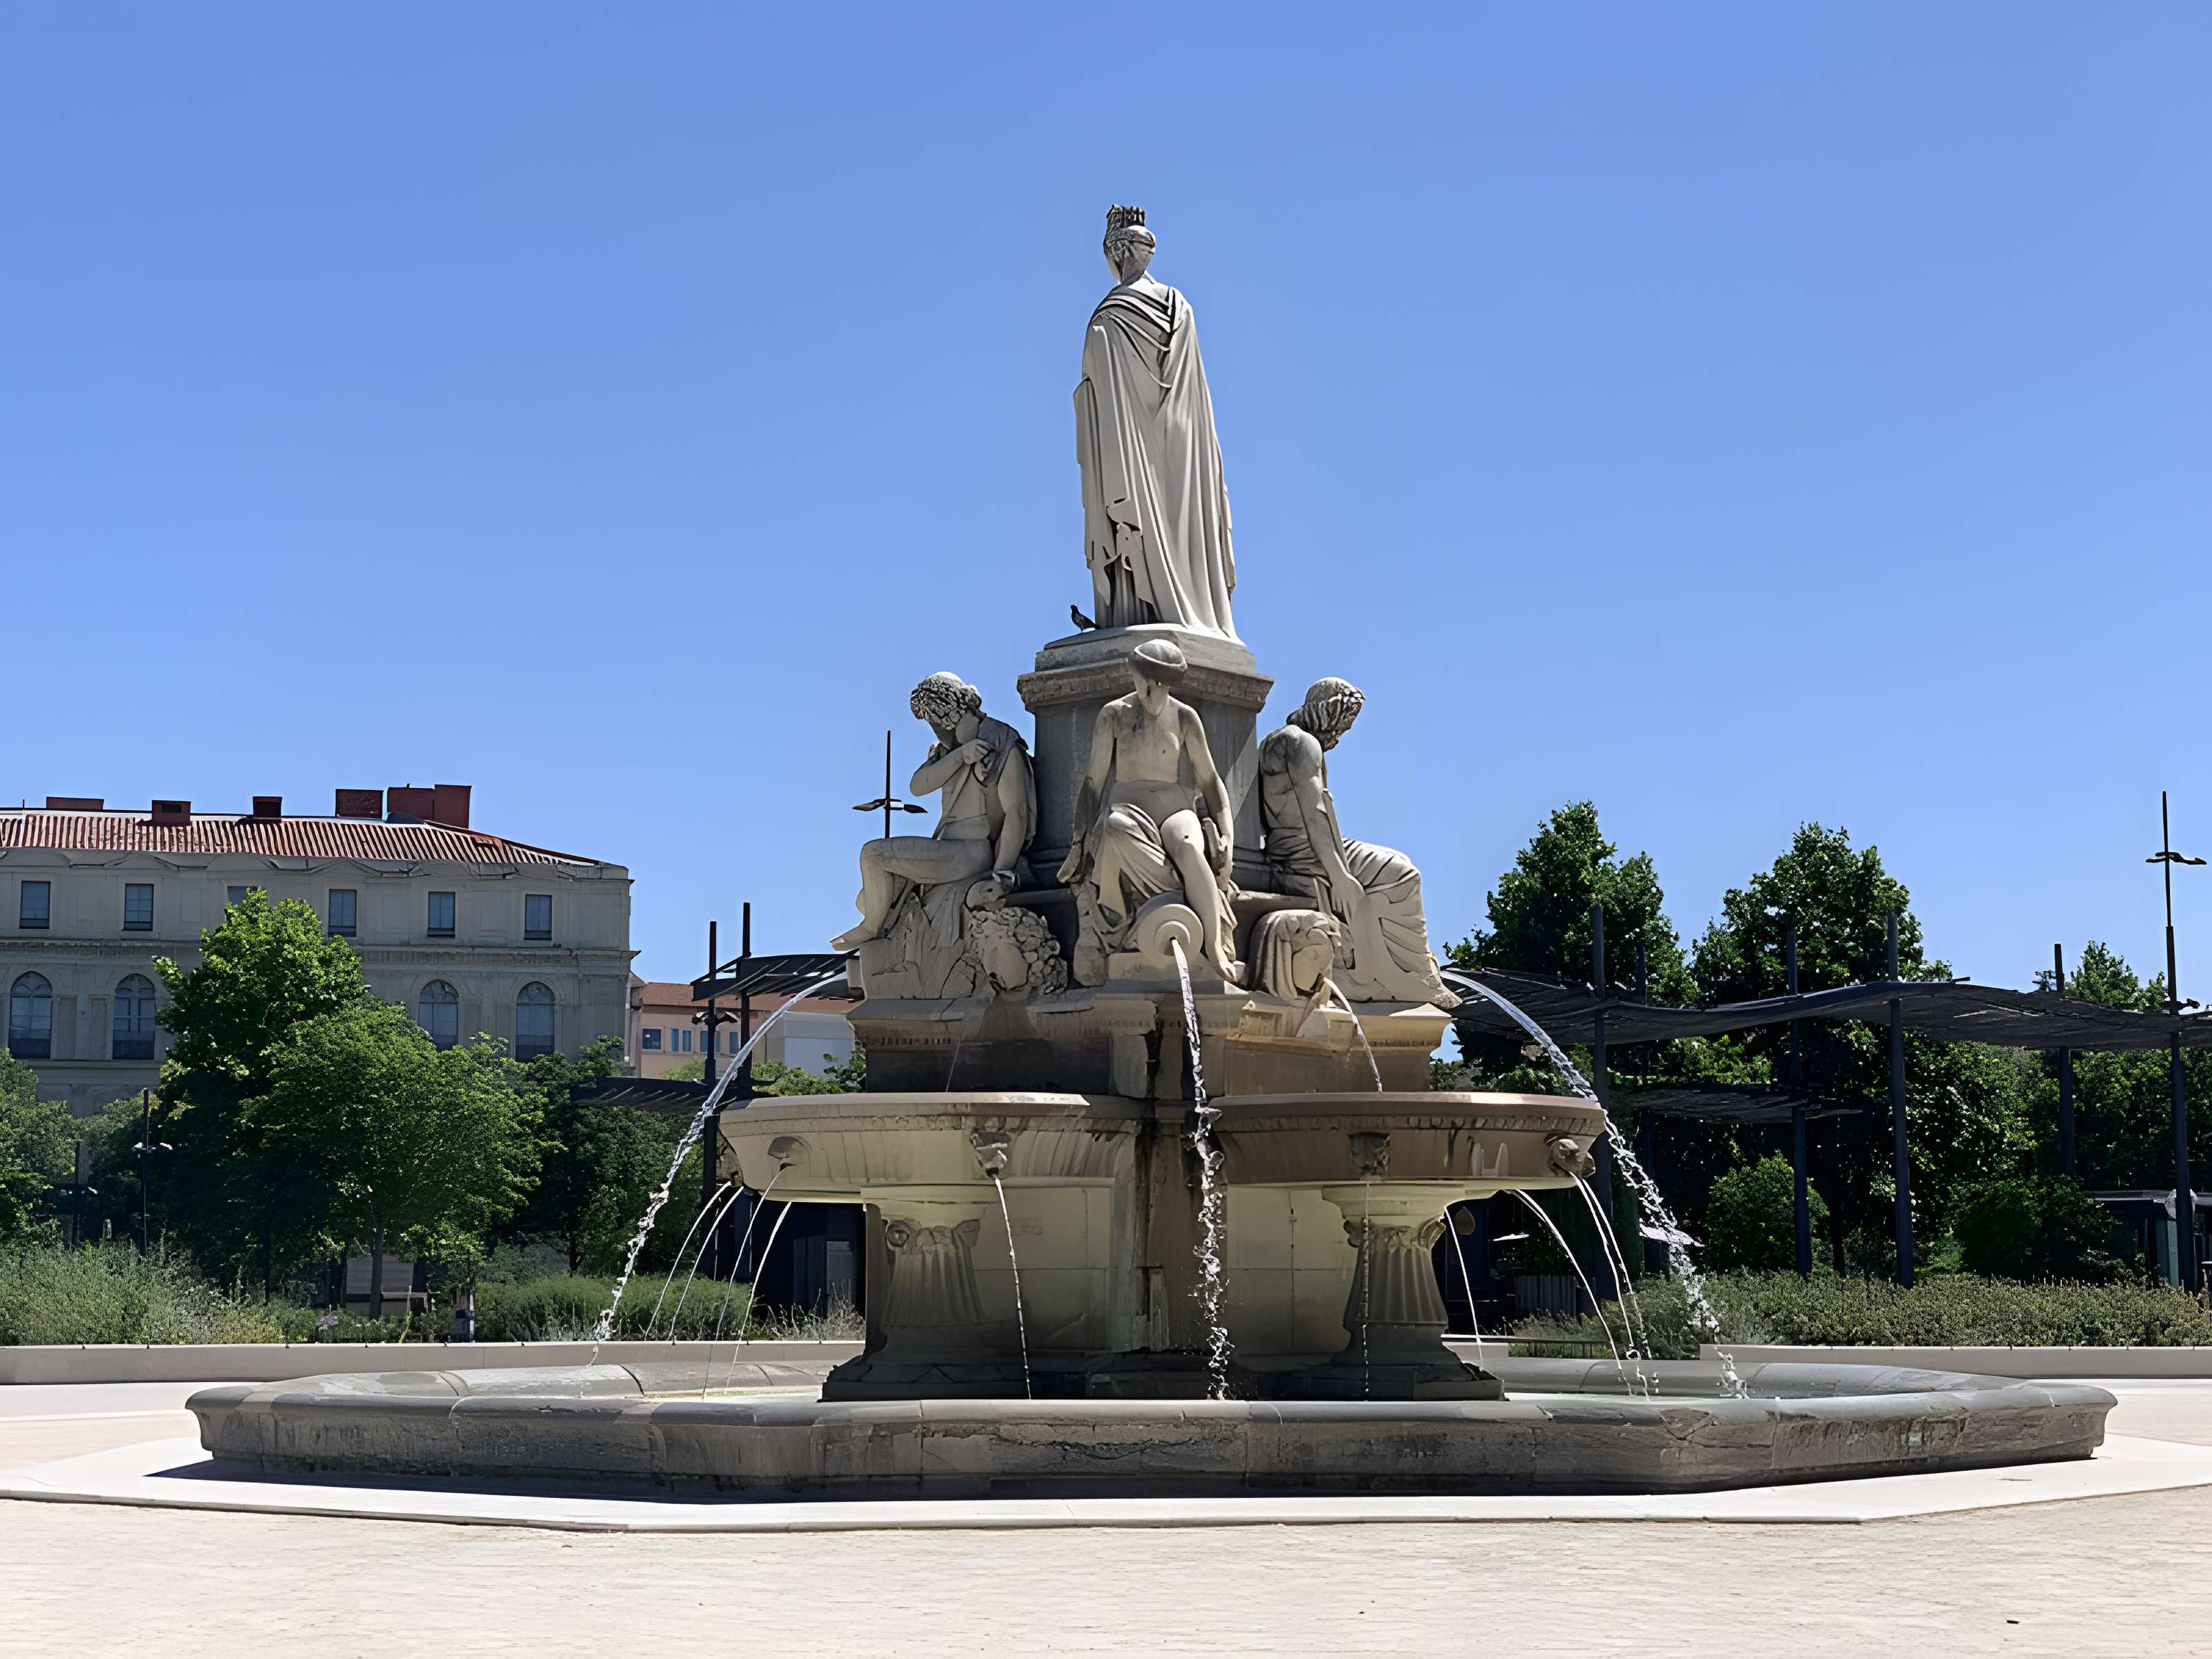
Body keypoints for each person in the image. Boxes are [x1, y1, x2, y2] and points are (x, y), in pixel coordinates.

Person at [1074, 205, 1238, 638]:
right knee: (1183, 531)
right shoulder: (1178, 306)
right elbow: (1192, 395)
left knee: (1138, 524)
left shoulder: (1108, 318)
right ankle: (1195, 607)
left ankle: (1137, 611)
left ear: (1116, 252)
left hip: (1130, 457)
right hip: (1183, 448)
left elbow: (1099, 408)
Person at [1257, 678, 1456, 1006]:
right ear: (1326, 711)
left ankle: (1388, 966)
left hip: (1295, 848)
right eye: (1343, 720)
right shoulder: (1302, 743)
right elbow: (1316, 814)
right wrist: (1340, 877)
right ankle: (1413, 976)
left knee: (1398, 859)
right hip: (1307, 853)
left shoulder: (1279, 742)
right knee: (1404, 875)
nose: (1344, 730)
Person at [1057, 639, 1241, 982]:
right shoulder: (1114, 715)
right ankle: (1172, 899)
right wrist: (1078, 839)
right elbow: (1093, 782)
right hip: (1129, 806)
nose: (1150, 692)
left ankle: (1214, 946)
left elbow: (1211, 781)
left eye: (1159, 684)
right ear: (1135, 675)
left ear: (1168, 684)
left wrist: (1227, 834)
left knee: (1188, 846)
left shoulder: (1185, 717)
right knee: (1113, 828)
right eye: (1145, 681)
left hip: (1174, 807)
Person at [830, 673, 1033, 953]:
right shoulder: (950, 752)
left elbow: (1017, 813)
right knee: (868, 898)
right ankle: (876, 924)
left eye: (931, 721)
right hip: (949, 847)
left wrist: (1001, 875)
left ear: (946, 716)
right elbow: (917, 786)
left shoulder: (1001, 743)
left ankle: (871, 928)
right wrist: (960, 757)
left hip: (972, 852)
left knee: (873, 855)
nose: (934, 730)